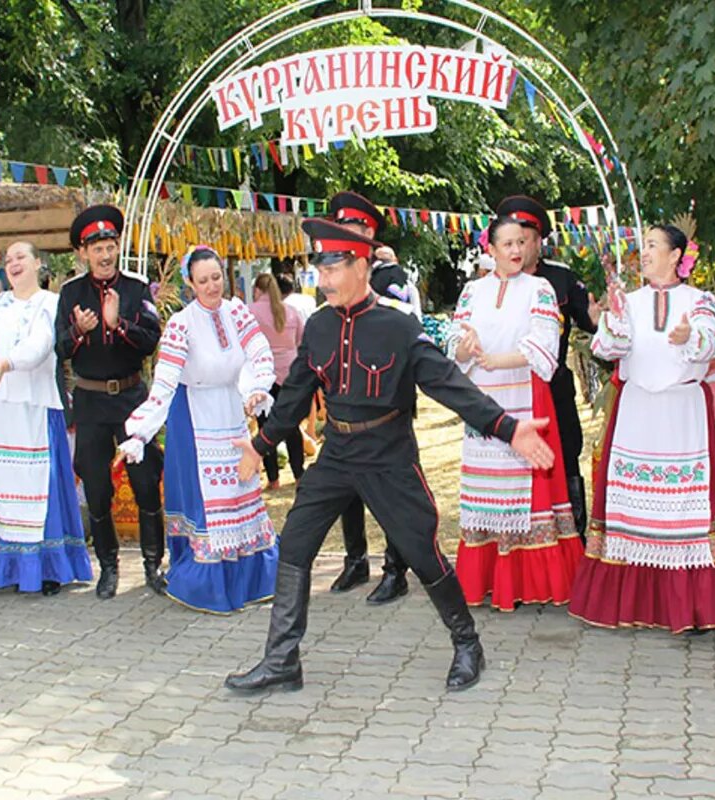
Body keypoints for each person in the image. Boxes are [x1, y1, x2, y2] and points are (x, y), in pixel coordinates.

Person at [224, 219, 558, 695]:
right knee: (294, 545)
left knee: (422, 552)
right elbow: (297, 393)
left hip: (389, 457)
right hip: (338, 454)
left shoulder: (399, 327)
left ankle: (468, 644)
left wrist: (507, 427)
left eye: (333, 269)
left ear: (361, 266)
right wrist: (260, 447)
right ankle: (281, 661)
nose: (324, 281)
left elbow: (448, 383)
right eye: (320, 270)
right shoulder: (318, 326)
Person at [568, 225, 715, 633]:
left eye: (653, 246)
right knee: (631, 510)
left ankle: (694, 609)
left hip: (680, 413)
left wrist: (690, 336)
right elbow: (609, 351)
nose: (644, 252)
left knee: (684, 511)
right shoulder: (629, 301)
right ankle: (635, 605)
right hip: (637, 412)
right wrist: (609, 322)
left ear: (675, 256)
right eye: (643, 245)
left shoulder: (699, 300)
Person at [115, 246, 279, 614]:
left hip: (231, 414)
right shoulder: (180, 325)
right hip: (195, 417)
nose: (211, 286)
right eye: (202, 280)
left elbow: (260, 352)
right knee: (209, 503)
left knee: (241, 490)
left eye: (216, 277)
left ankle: (252, 578)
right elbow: (164, 384)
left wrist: (257, 388)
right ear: (190, 283)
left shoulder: (237, 311)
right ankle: (210, 585)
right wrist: (139, 432)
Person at [449, 215, 583, 610]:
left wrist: (495, 360)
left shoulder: (538, 288)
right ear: (490, 250)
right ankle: (486, 578)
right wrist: (467, 349)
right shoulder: (472, 291)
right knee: (485, 490)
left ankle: (529, 582)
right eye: (506, 244)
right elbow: (455, 341)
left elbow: (544, 347)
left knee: (527, 489)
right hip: (483, 402)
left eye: (520, 243)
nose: (515, 250)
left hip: (525, 397)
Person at [0, 242, 93, 596]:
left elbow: (40, 347)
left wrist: (6, 364)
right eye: (7, 260)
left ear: (39, 263)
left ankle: (48, 567)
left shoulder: (52, 304)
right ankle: (3, 567)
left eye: (20, 257)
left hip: (32, 405)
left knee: (38, 485)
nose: (13, 264)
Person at [55, 205, 163, 599]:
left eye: (110, 246)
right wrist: (79, 331)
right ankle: (109, 567)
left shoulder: (136, 287)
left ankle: (153, 565)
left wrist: (120, 325)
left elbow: (152, 339)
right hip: (91, 401)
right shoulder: (71, 293)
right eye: (96, 248)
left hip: (132, 398)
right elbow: (59, 347)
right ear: (83, 253)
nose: (104, 255)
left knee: (146, 482)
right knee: (98, 489)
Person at [495, 196, 598, 539]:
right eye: (512, 240)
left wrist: (603, 319)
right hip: (507, 393)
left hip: (553, 389)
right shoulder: (491, 287)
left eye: (526, 240)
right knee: (512, 468)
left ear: (540, 242)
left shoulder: (561, 280)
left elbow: (594, 324)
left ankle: (574, 539)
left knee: (565, 457)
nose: (519, 248)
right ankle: (519, 546)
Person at [324, 191, 408, 605]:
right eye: (342, 229)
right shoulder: (334, 274)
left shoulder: (390, 277)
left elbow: (405, 325)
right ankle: (355, 560)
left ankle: (397, 569)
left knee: (391, 490)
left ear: (370, 235)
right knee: (346, 489)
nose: (347, 235)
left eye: (354, 229)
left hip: (384, 404)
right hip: (344, 403)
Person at [249, 272, 306, 490]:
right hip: (289, 374)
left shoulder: (251, 311)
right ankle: (299, 473)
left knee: (266, 427)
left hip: (262, 375)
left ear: (257, 289)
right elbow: (300, 340)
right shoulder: (291, 312)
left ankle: (273, 478)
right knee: (292, 427)